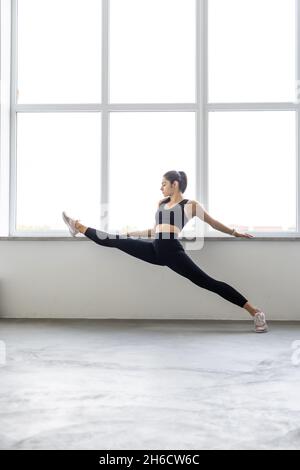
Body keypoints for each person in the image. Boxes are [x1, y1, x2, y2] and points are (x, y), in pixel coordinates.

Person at [62, 170, 268, 333]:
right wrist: (133, 232)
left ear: (174, 184)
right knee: (114, 240)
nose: (160, 187)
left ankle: (256, 312)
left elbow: (213, 223)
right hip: (155, 248)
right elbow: (156, 229)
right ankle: (78, 226)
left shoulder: (190, 205)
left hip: (171, 250)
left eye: (163, 184)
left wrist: (234, 232)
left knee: (208, 283)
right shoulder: (160, 204)